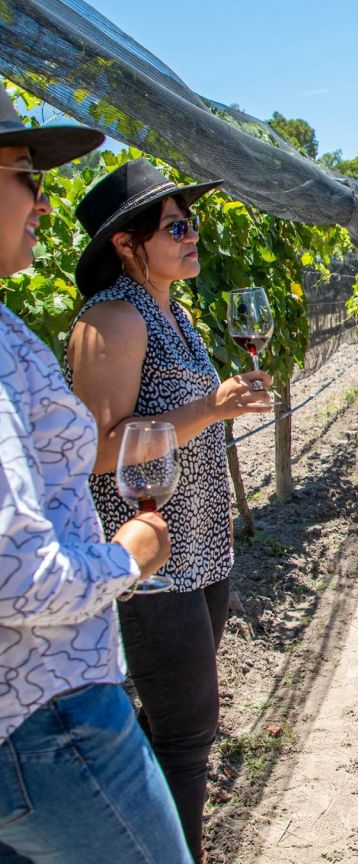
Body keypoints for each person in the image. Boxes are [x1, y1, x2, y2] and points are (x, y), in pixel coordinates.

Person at [0, 89, 192, 861]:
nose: (42, 201)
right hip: (47, 712)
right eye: (26, 174)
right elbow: (17, 575)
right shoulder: (114, 317)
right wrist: (126, 560)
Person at [64, 160, 273, 863]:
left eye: (192, 223)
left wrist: (216, 411)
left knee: (172, 731)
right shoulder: (114, 320)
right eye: (176, 227)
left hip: (201, 549)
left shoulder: (174, 314)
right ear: (126, 244)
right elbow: (95, 450)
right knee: (186, 737)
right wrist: (210, 407)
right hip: (151, 560)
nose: (193, 236)